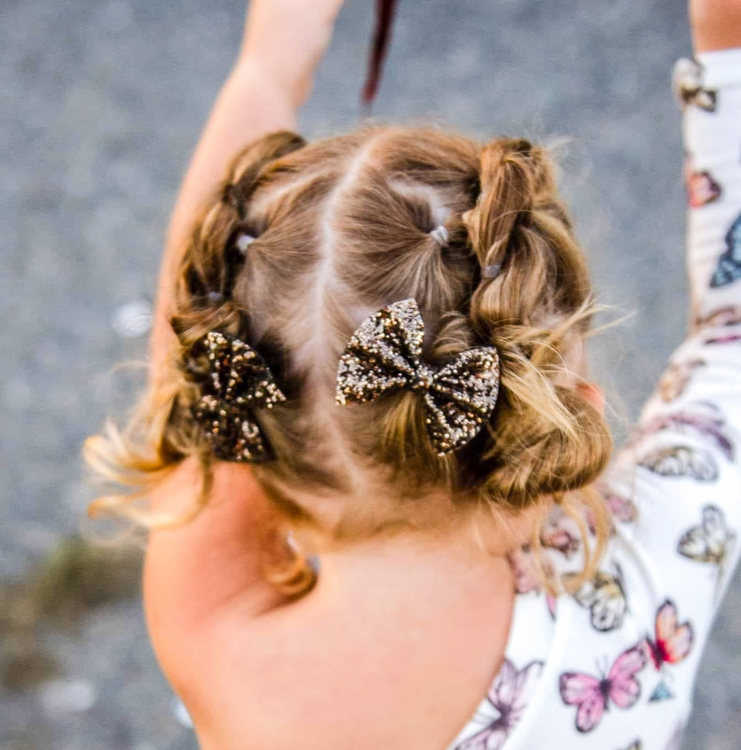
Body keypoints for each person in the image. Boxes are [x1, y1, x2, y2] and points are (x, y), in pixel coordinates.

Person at [84, 1, 741, 748]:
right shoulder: (655, 561)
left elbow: (191, 354)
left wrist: (264, 72)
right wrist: (730, 51)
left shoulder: (218, 637)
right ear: (563, 418)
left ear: (251, 431)